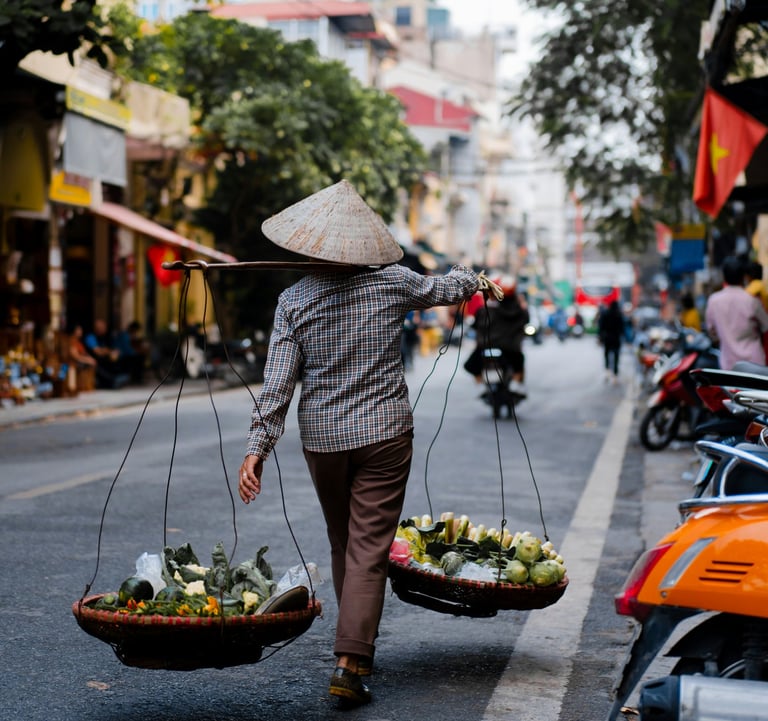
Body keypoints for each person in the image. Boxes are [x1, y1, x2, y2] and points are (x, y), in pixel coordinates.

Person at [237, 180, 497, 708]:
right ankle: (351, 658)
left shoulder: (294, 300)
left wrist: (256, 449)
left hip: (325, 441)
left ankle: (352, 647)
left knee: (345, 542)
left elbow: (278, 384)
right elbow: (446, 288)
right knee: (368, 547)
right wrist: (476, 280)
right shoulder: (393, 282)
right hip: (384, 436)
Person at [468, 276, 530, 396]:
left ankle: (481, 385)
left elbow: (475, 325)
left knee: (471, 364)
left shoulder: (485, 309)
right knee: (518, 362)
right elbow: (525, 321)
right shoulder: (518, 310)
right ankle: (516, 384)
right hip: (509, 347)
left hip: (485, 346)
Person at [705, 256, 768, 369]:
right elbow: (766, 326)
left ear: (724, 276)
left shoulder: (713, 301)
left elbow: (712, 332)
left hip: (729, 365)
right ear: (743, 276)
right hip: (755, 365)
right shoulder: (752, 301)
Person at [84, 319, 130, 389]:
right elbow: (97, 351)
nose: (105, 329)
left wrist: (110, 351)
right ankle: (112, 382)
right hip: (93, 362)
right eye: (103, 328)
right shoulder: (90, 337)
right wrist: (109, 352)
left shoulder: (103, 338)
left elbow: (104, 349)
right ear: (98, 328)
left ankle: (113, 380)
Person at [597, 299, 626, 384]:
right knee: (616, 356)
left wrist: (600, 337)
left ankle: (607, 372)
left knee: (607, 355)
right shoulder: (619, 314)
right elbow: (622, 328)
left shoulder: (605, 314)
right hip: (616, 339)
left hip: (607, 338)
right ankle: (615, 375)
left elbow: (601, 327)